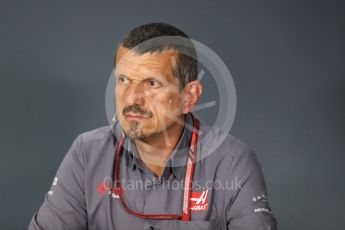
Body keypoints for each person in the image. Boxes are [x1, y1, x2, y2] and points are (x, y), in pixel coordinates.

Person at [28, 22, 277, 230]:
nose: (132, 98)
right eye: (124, 80)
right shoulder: (87, 154)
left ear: (189, 97)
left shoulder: (232, 162)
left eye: (152, 83)